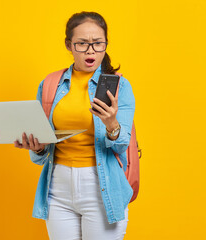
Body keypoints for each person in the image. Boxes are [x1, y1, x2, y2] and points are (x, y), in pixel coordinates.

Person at [14, 11, 135, 240]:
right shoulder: (50, 84)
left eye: (98, 43)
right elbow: (42, 153)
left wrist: (111, 124)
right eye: (82, 44)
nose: (91, 50)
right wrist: (37, 147)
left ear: (105, 44)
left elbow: (121, 145)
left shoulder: (119, 85)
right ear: (69, 45)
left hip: (101, 187)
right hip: (57, 187)